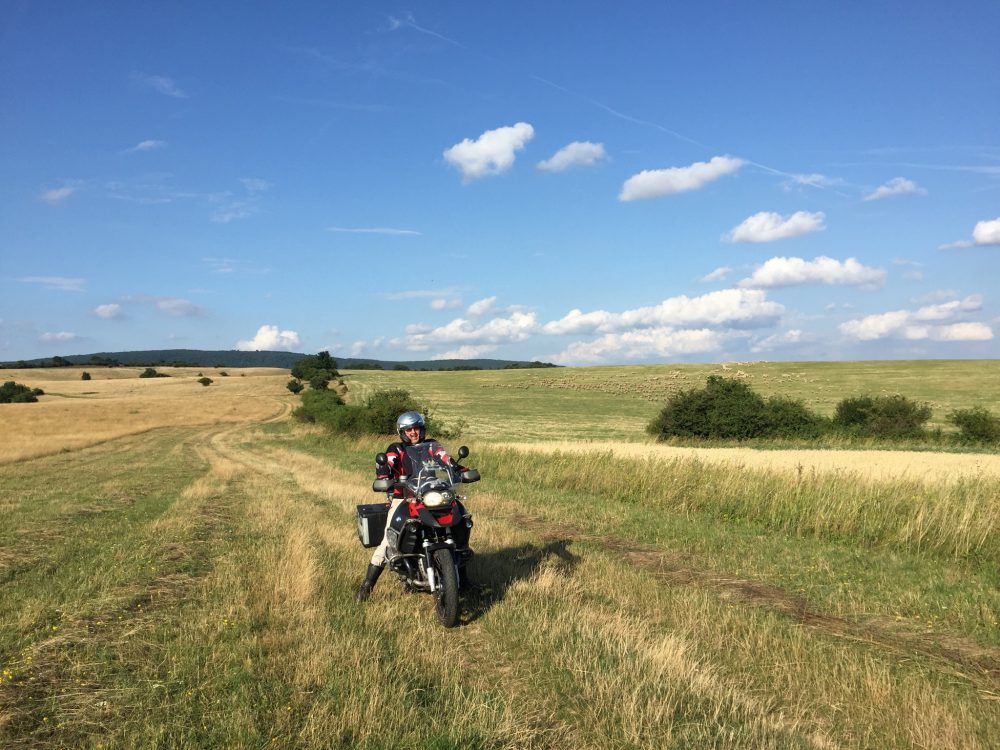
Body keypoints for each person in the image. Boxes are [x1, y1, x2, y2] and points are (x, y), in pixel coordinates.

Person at [356, 411, 472, 601]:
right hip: (404, 498)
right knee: (388, 539)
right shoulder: (396, 449)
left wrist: (457, 469)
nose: (413, 433)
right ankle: (367, 586)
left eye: (416, 428)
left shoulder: (431, 446)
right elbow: (388, 462)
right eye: (408, 430)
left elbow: (444, 458)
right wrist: (385, 477)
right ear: (402, 432)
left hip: (431, 495)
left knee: (457, 522)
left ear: (422, 429)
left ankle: (464, 579)